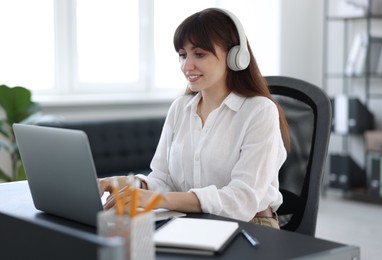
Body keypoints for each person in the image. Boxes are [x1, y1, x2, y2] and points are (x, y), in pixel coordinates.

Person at [100, 7, 290, 229]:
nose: (186, 66)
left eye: (199, 54)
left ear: (235, 57)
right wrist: (124, 184)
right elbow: (164, 180)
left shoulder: (259, 111)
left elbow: (242, 200)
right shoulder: (180, 108)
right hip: (190, 222)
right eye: (182, 55)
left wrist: (154, 200)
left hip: (251, 226)